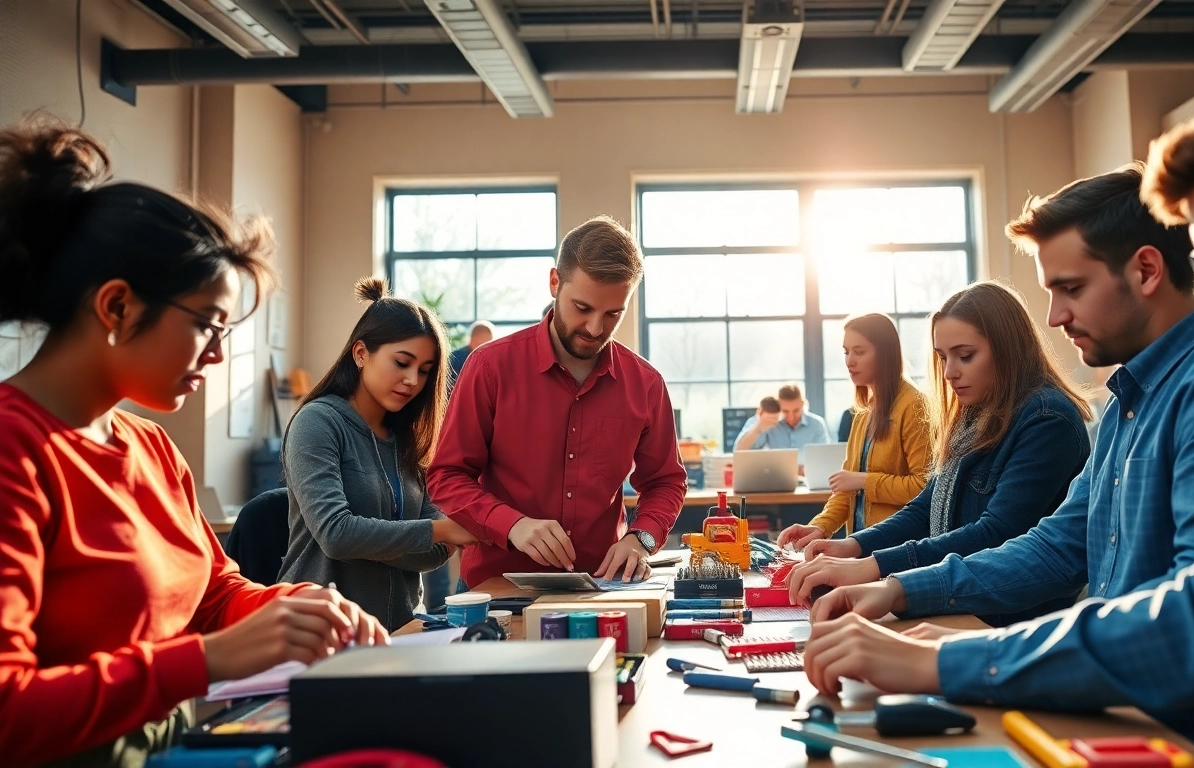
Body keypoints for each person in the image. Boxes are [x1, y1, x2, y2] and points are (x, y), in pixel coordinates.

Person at [803, 63, 1194, 767]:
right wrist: (904, 592)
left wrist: (958, 660)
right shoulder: (1130, 401)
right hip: (1130, 724)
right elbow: (1059, 546)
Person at [0, 121, 387, 766]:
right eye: (207, 324)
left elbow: (211, 596)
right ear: (117, 307)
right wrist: (206, 661)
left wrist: (295, 605)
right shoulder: (16, 450)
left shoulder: (150, 447)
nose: (217, 353)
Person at [787, 282, 1092, 627]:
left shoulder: (1047, 419)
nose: (949, 373)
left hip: (1006, 622)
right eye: (943, 357)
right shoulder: (975, 412)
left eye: (965, 356)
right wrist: (853, 546)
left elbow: (995, 533)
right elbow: (925, 507)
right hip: (953, 602)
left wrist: (874, 566)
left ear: (1008, 349)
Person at [428, 216, 687, 587]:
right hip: (498, 587)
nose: (596, 328)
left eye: (613, 313)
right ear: (554, 283)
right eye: (582, 307)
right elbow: (447, 475)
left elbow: (666, 481)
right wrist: (511, 524)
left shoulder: (645, 384)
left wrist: (641, 537)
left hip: (603, 587)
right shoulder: (489, 367)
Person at [278, 278, 478, 631]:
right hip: (322, 633)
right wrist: (439, 529)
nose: (413, 380)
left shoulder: (409, 438)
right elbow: (336, 534)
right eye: (402, 363)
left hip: (403, 631)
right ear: (360, 353)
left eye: (424, 371)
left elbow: (431, 554)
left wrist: (383, 538)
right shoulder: (317, 423)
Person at [777, 314, 931, 548]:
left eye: (859, 351)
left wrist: (863, 481)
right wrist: (820, 526)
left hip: (899, 550)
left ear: (885, 353)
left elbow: (924, 488)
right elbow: (845, 487)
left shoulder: (914, 406)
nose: (849, 361)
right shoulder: (863, 412)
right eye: (846, 351)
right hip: (863, 547)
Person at [734, 383, 830, 451]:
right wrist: (758, 428)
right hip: (774, 478)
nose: (791, 417)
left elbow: (824, 458)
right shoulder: (767, 421)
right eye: (785, 411)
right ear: (779, 407)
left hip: (808, 478)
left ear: (803, 404)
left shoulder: (817, 424)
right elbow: (738, 451)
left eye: (796, 410)